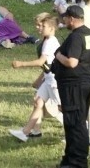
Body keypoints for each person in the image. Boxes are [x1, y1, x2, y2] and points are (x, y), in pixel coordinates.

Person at [51, 4, 90, 168]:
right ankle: (71, 158)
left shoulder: (76, 37)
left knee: (75, 123)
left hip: (73, 85)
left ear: (72, 19)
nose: (64, 20)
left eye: (65, 18)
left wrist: (58, 55)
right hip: (86, 82)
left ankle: (77, 161)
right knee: (78, 121)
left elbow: (72, 62)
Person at [9, 13, 62, 142]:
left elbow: (41, 61)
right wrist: (40, 79)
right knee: (38, 101)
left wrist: (21, 64)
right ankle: (27, 132)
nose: (40, 28)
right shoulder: (46, 41)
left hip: (54, 81)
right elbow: (47, 64)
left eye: (43, 26)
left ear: (52, 28)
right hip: (49, 78)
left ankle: (82, 129)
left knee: (63, 108)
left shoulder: (50, 42)